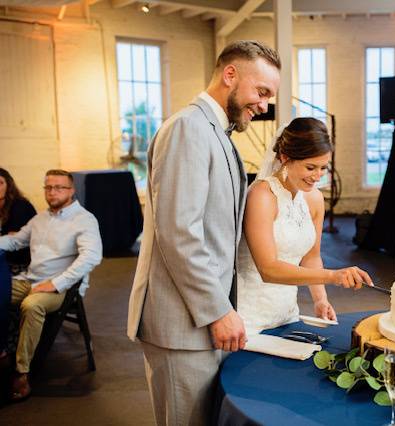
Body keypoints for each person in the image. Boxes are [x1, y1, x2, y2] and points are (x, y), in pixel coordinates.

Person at [127, 40, 282, 426]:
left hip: (201, 322)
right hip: (181, 324)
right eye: (261, 92)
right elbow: (179, 232)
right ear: (230, 74)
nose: (264, 105)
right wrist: (217, 310)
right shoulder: (189, 128)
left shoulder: (217, 132)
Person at [238, 118, 373, 334]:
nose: (317, 176)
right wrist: (333, 276)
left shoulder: (314, 199)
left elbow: (311, 256)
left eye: (323, 168)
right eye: (310, 167)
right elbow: (268, 269)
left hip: (288, 315)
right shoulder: (262, 196)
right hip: (250, 318)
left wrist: (320, 299)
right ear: (285, 158)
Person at [0, 169, 102, 401]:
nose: (52, 192)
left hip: (62, 287)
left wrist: (55, 283)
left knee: (31, 305)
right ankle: (2, 352)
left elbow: (91, 257)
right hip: (29, 279)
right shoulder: (40, 219)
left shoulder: (84, 220)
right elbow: (16, 240)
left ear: (72, 190)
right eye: (48, 187)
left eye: (59, 187)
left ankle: (22, 372)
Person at [0, 168, 37, 273]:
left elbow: (14, 239)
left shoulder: (20, 206)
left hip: (20, 265)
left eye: (0, 183)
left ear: (8, 186)